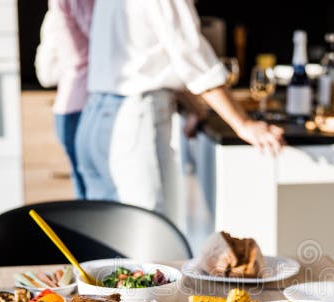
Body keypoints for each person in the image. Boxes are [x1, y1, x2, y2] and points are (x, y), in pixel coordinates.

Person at [76, 0, 284, 226]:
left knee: (109, 235)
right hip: (133, 122)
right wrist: (243, 124)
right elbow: (193, 59)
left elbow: (149, 57)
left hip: (94, 116)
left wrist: (195, 107)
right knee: (151, 233)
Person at [34, 0, 95, 199]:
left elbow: (46, 73)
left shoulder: (55, 9)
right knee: (96, 198)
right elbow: (105, 43)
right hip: (84, 108)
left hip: (67, 107)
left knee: (86, 193)